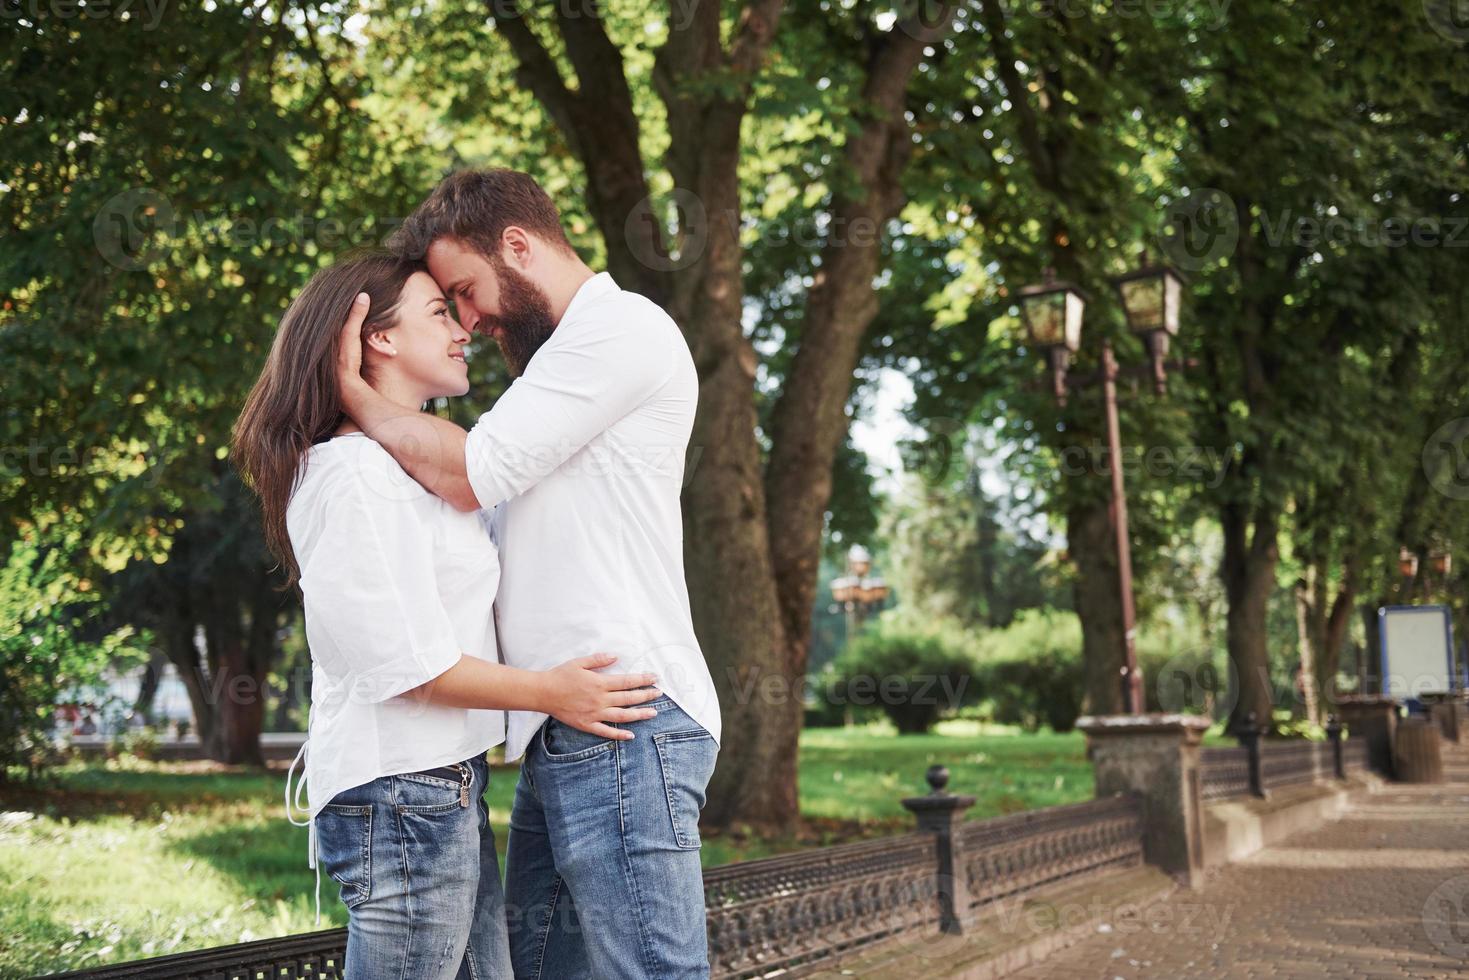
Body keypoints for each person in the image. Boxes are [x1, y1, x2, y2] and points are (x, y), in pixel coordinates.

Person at [333, 169, 722, 979]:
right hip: (571, 720)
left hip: (623, 713)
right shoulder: (552, 370)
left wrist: (354, 400)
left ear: (517, 245)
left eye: (466, 292)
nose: (468, 320)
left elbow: (471, 471)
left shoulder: (617, 331)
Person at [232, 252, 663, 980]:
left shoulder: (406, 468)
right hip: (399, 792)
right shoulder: (351, 477)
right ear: (379, 337)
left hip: (440, 787)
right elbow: (403, 666)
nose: (465, 327)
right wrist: (553, 692)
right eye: (440, 312)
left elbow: (480, 470)